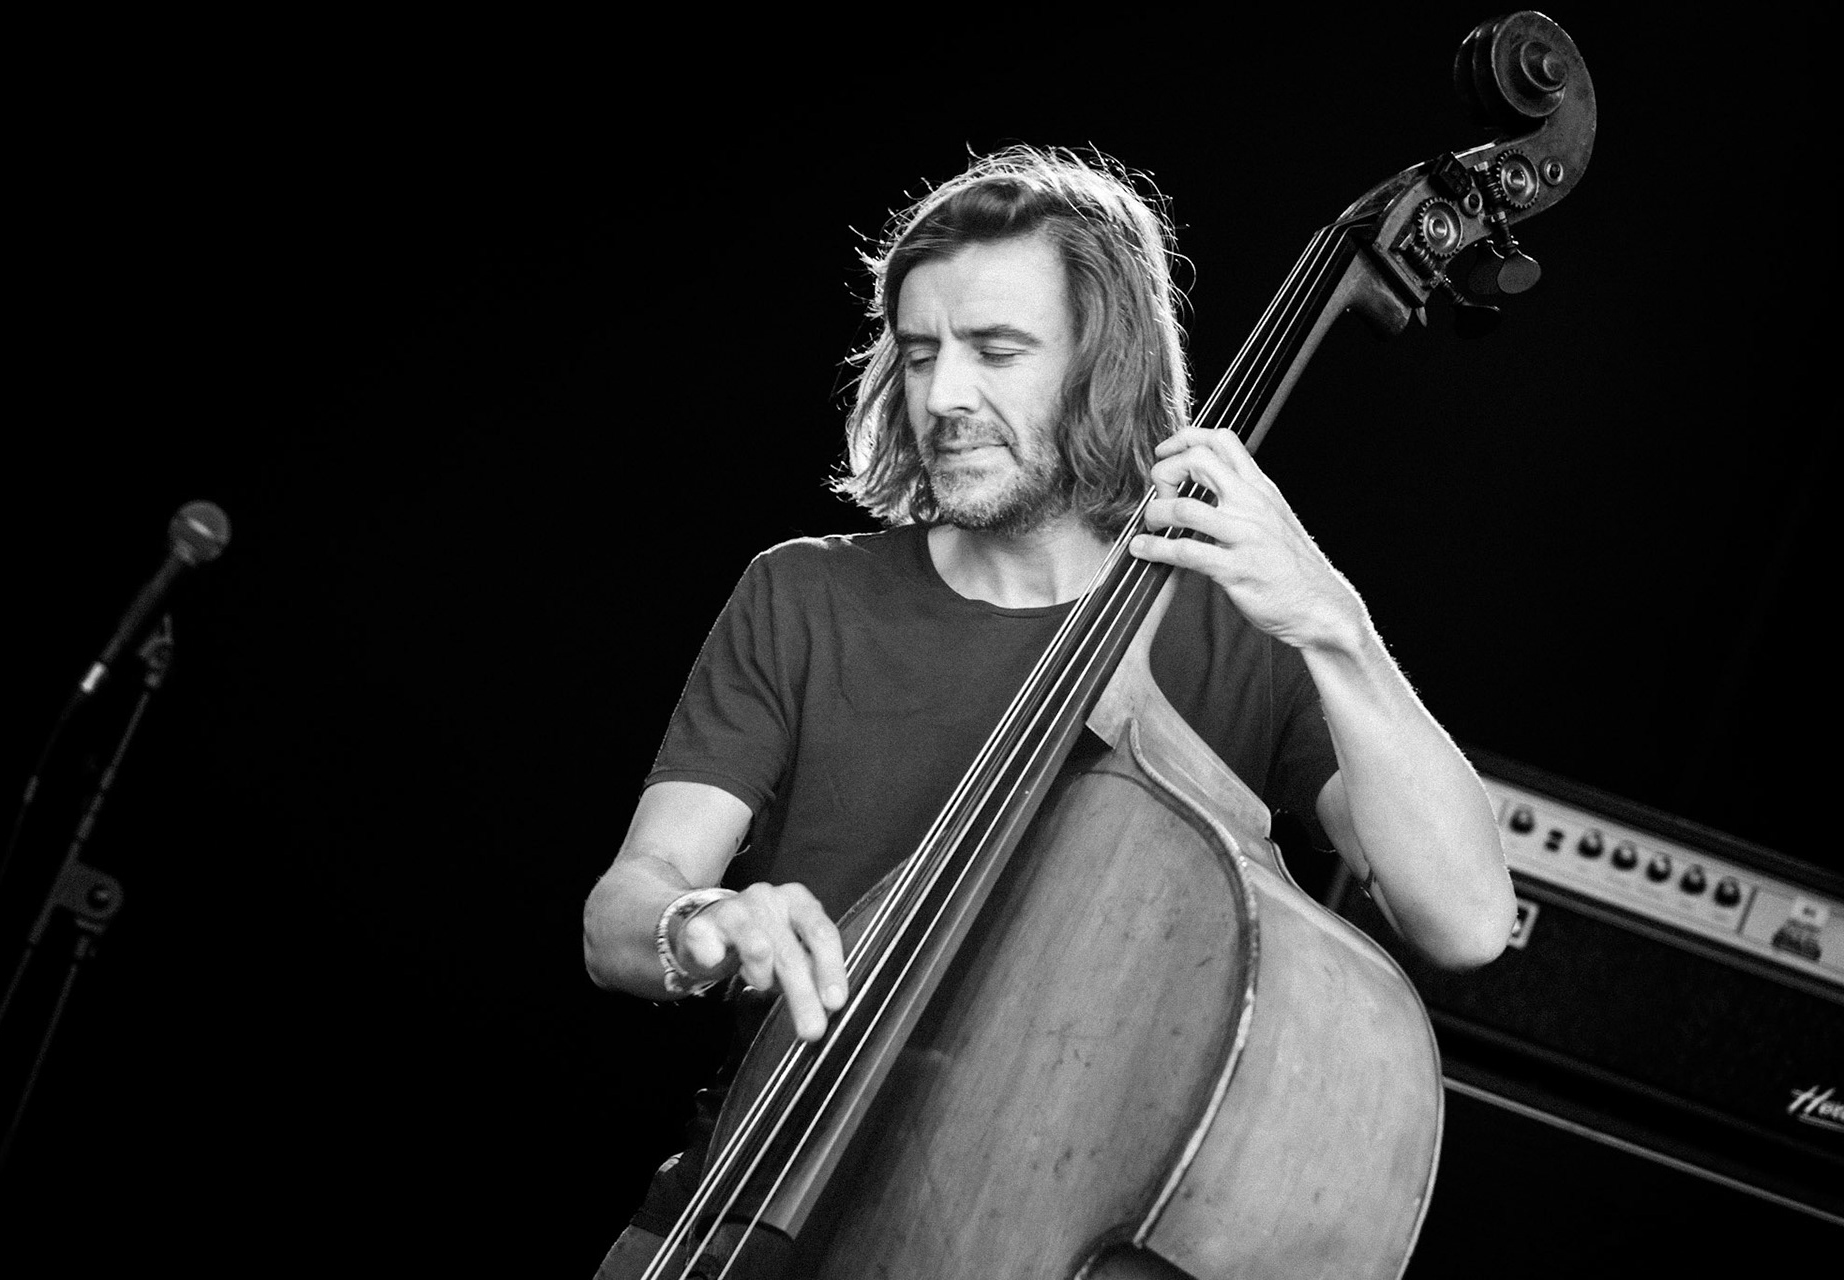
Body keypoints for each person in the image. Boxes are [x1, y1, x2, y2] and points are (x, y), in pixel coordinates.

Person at [582, 145, 1516, 1275]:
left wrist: (1336, 628)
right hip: (727, 1221)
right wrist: (698, 924)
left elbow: (1466, 918)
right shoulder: (804, 595)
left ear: (1102, 367)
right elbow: (622, 913)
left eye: (996, 351)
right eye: (918, 353)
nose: (943, 396)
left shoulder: (1238, 628)